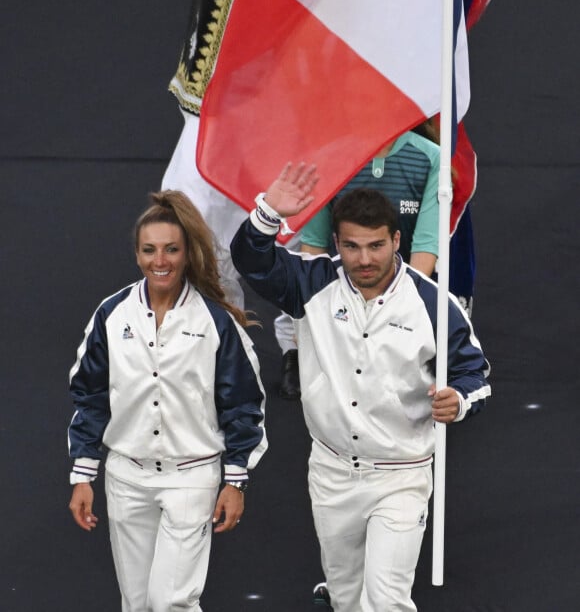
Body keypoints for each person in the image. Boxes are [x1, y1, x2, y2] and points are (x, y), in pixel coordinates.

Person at [231, 163, 490, 612]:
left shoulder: (434, 303)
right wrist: (269, 211)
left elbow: (475, 375)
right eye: (351, 246)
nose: (364, 259)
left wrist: (460, 400)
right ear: (336, 244)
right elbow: (251, 260)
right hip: (330, 474)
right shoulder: (311, 283)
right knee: (348, 600)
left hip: (402, 475)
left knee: (386, 601)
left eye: (375, 246)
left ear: (396, 241)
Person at [68, 190, 267, 612]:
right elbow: (90, 395)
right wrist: (82, 474)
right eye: (150, 250)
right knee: (137, 604)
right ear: (137, 254)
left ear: (186, 252)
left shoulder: (216, 322)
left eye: (171, 250)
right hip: (127, 478)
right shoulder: (111, 314)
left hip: (191, 478)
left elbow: (244, 405)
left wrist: (235, 481)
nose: (161, 261)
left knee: (171, 602)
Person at [141, 0, 296, 308]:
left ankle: (295, 347)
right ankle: (222, 331)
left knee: (287, 233)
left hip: (276, 115)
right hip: (208, 109)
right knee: (184, 216)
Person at [275, 129, 440, 399]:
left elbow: (425, 246)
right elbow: (314, 246)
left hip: (402, 295)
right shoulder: (328, 156)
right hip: (345, 297)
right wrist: (303, 322)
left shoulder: (432, 158)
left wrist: (401, 312)